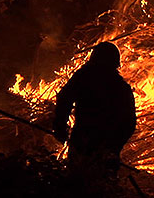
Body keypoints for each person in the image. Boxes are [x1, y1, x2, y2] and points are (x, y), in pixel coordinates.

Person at [52, 42, 136, 196]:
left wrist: (60, 127)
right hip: (99, 144)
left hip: (84, 140)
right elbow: (129, 122)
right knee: (102, 187)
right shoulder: (119, 86)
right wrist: (114, 147)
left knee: (76, 185)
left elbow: (64, 99)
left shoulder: (84, 77)